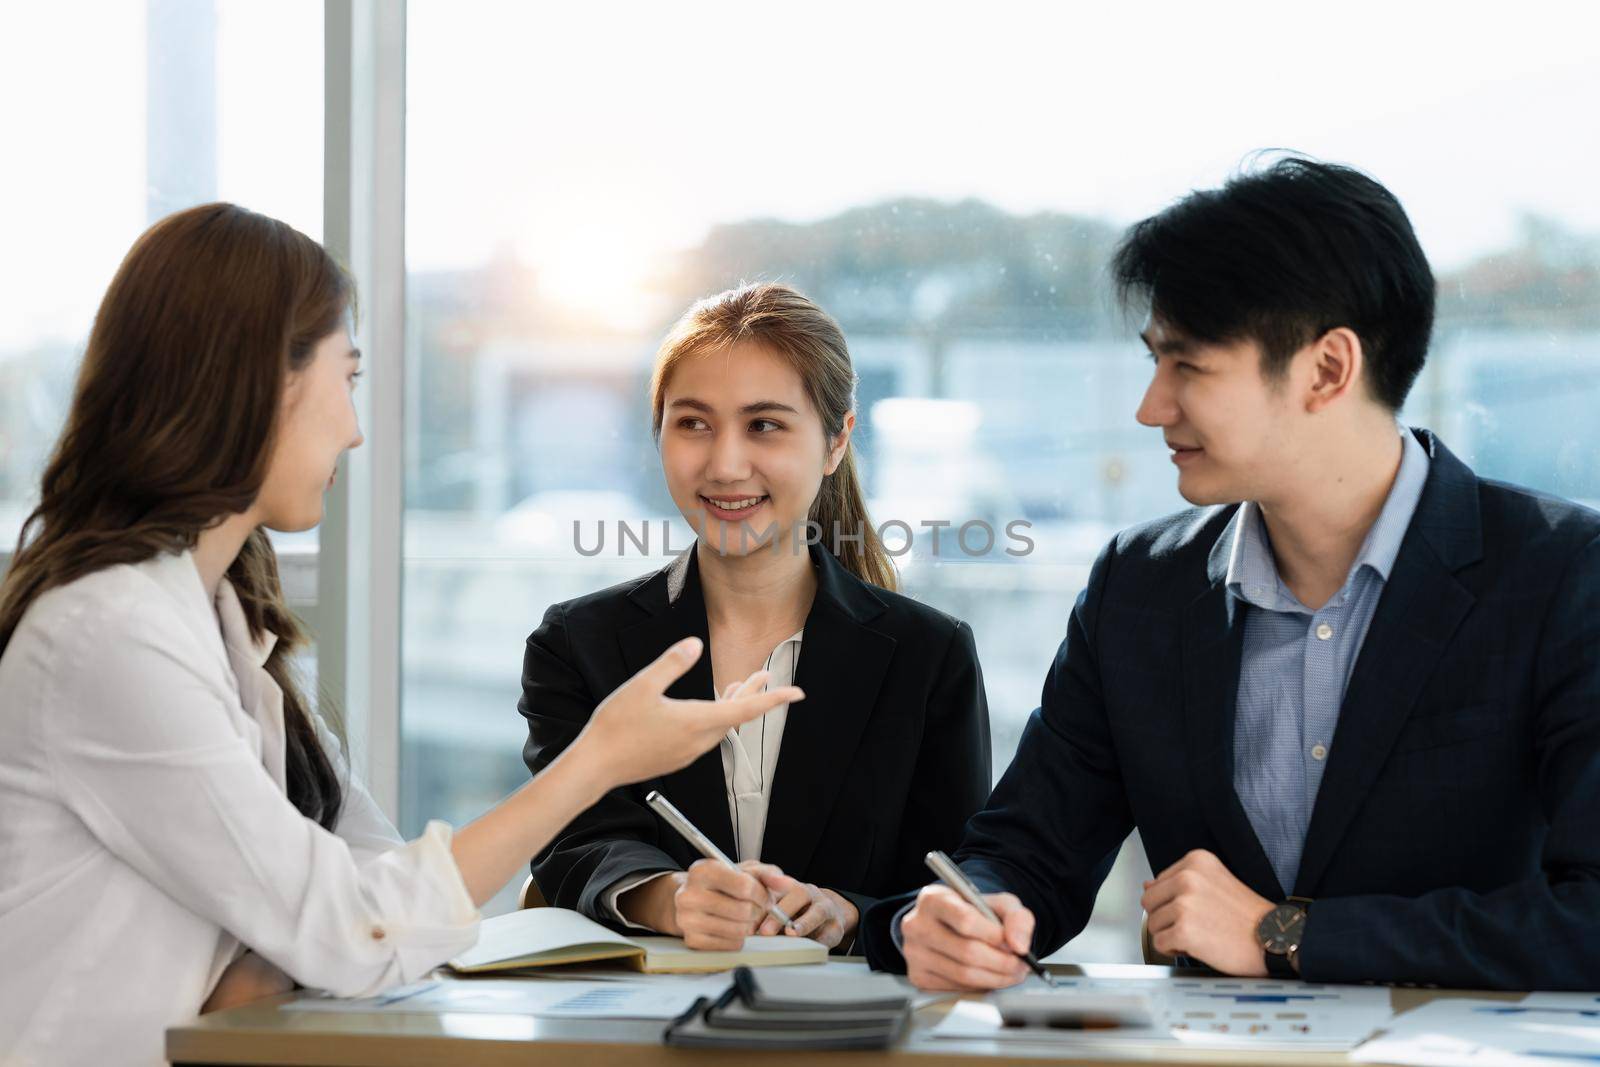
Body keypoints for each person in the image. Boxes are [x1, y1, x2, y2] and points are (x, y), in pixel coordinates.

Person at [0, 204, 800, 1066]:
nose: (355, 425)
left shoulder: (223, 627)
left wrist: (294, 951)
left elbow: (367, 884)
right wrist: (597, 760)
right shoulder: (110, 636)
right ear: (260, 382)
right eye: (346, 377)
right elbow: (356, 926)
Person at [868, 157, 1600, 991]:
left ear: (1328, 369)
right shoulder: (1138, 586)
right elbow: (1025, 849)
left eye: (1189, 367)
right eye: (1154, 361)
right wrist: (949, 915)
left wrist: (1283, 934)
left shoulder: (1563, 575)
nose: (1151, 406)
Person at [521, 283, 991, 953]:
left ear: (835, 442)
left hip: (854, 1031)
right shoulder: (576, 644)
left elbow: (956, 875)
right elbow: (572, 840)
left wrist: (851, 913)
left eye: (764, 425)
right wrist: (668, 896)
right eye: (693, 423)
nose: (725, 463)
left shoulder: (928, 654)